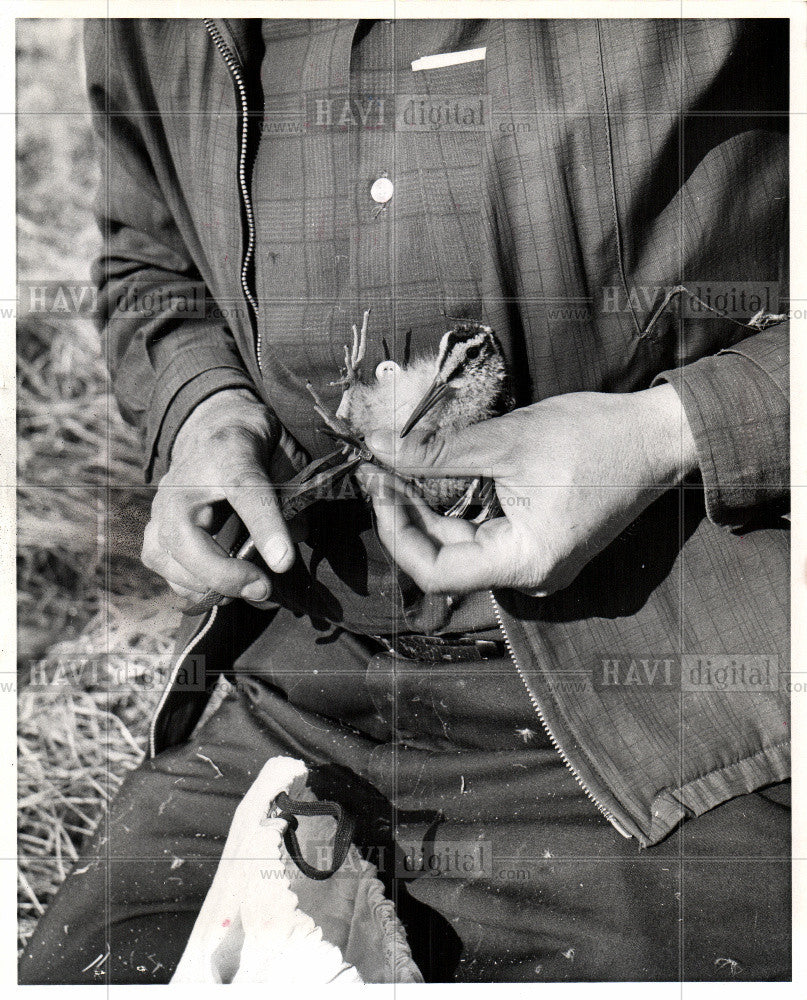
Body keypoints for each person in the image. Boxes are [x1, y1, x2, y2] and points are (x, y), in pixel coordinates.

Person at [20, 17, 790, 983]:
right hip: (297, 681)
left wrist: (664, 435)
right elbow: (150, 259)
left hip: (682, 698)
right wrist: (205, 413)